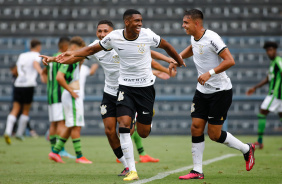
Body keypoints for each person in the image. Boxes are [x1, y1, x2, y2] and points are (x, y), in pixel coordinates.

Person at [41, 9, 184, 181]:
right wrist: (55, 59)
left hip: (134, 89)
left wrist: (165, 65)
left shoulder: (121, 41)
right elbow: (78, 56)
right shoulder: (98, 46)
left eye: (105, 31)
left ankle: (140, 123)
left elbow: (148, 53)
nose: (102, 34)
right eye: (99, 31)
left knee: (135, 130)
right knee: (111, 130)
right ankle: (128, 166)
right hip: (111, 92)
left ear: (112, 32)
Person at [173, 9, 255, 180]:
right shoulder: (194, 36)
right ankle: (197, 171)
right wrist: (178, 58)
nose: (183, 25)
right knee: (195, 127)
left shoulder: (212, 38)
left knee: (214, 135)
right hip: (202, 90)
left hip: (221, 92)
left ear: (196, 23)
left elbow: (230, 60)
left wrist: (209, 73)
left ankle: (246, 149)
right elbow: (193, 47)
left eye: (186, 23)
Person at [48, 36, 92, 164]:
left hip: (72, 94)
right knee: (76, 126)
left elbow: (85, 56)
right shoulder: (69, 60)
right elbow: (59, 77)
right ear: (73, 48)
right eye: (79, 49)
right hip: (72, 95)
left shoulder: (76, 59)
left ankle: (54, 152)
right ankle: (79, 156)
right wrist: (71, 91)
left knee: (70, 125)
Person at [4, 39, 43, 144]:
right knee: (25, 110)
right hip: (28, 85)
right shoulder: (36, 55)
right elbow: (35, 64)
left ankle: (8, 131)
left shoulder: (22, 55)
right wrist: (41, 72)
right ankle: (19, 133)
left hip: (18, 83)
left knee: (15, 109)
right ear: (38, 47)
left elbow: (17, 69)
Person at [41, 37, 75, 158]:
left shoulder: (52, 57)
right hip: (60, 94)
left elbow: (42, 73)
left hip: (51, 94)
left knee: (53, 124)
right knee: (62, 122)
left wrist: (49, 84)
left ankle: (53, 149)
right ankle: (60, 150)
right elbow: (61, 77)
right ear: (65, 46)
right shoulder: (62, 58)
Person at [246, 41, 282, 149]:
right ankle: (260, 141)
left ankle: (260, 142)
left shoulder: (278, 61)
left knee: (262, 112)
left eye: (271, 50)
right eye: (267, 50)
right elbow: (268, 79)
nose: (269, 52)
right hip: (277, 95)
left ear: (275, 50)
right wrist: (255, 88)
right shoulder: (273, 63)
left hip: (276, 94)